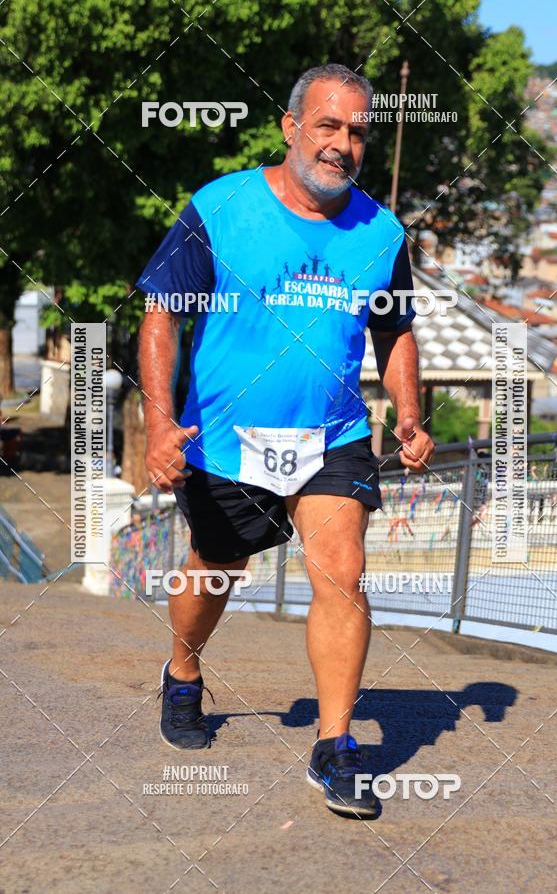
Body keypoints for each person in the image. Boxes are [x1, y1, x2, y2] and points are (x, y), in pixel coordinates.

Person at [137, 63, 435, 818]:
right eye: (328, 126)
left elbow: (395, 328)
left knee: (340, 571)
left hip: (331, 434)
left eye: (357, 132)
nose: (342, 145)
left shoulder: (381, 232)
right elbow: (162, 314)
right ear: (292, 126)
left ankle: (335, 746)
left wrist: (408, 412)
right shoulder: (221, 206)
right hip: (227, 440)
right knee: (216, 571)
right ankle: (182, 670)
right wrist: (158, 422)